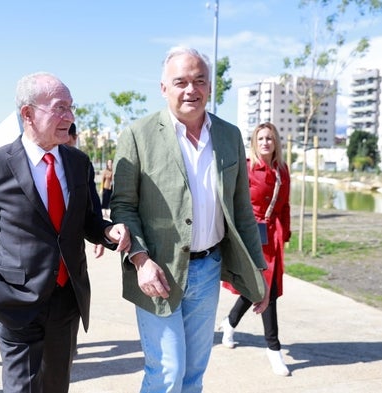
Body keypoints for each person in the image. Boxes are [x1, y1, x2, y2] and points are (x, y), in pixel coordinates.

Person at [0, 72, 131, 393]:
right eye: (60, 108)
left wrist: (109, 232)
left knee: (56, 386)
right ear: (28, 114)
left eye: (71, 109)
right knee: (23, 388)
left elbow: (88, 220)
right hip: (15, 300)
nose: (70, 117)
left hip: (66, 300)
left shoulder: (78, 162)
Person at [110, 46, 270, 393]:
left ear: (210, 87)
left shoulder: (229, 136)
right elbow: (122, 206)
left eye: (199, 81)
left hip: (209, 269)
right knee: (167, 372)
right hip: (157, 272)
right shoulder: (137, 135)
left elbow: (242, 210)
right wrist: (140, 260)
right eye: (180, 81)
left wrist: (258, 270)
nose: (191, 90)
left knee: (194, 374)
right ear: (163, 87)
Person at [219, 122, 291, 376]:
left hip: (272, 237)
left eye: (269, 138)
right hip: (250, 236)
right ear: (254, 142)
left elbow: (285, 206)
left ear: (276, 142)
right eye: (260, 138)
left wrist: (287, 233)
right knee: (263, 290)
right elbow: (235, 204)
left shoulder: (282, 170)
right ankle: (274, 349)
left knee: (258, 288)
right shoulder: (247, 168)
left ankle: (229, 323)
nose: (265, 143)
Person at [67, 122, 105, 258]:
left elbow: (92, 198)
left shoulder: (82, 163)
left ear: (74, 138)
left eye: (66, 143)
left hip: (72, 245)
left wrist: (101, 233)